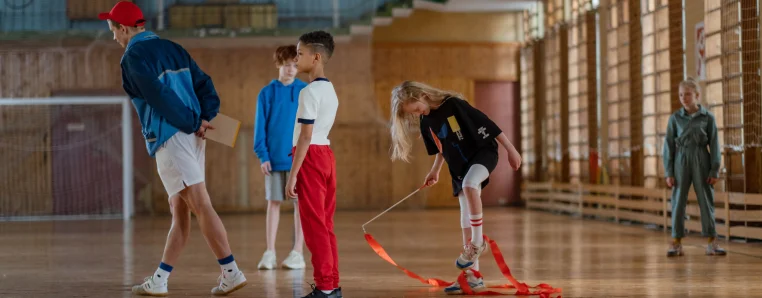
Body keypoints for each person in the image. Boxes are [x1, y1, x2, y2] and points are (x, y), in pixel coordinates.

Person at [99, 1, 246, 296]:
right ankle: (161, 279)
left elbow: (158, 96)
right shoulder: (173, 48)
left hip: (172, 134)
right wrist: (205, 117)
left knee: (199, 204)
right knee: (179, 209)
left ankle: (232, 272)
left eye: (113, 30)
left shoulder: (132, 56)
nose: (113, 37)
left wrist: (193, 121)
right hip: (192, 135)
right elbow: (204, 84)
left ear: (124, 29)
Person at [388, 81, 522, 294]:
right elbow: (442, 147)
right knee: (464, 218)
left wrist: (511, 150)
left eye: (416, 109)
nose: (417, 114)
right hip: (459, 166)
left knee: (470, 184)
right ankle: (472, 277)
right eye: (412, 113)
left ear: (422, 95)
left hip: (483, 153)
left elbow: (489, 124)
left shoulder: (454, 105)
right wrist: (436, 170)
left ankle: (478, 243)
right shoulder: (426, 121)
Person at [284, 30, 342, 298]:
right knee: (325, 225)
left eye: (300, 53)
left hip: (310, 158)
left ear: (316, 57)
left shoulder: (308, 92)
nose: (296, 58)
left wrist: (292, 175)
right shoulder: (330, 90)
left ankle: (325, 287)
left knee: (313, 226)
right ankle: (332, 284)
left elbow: (305, 137)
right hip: (326, 156)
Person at [254, 45, 308, 270]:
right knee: (273, 203)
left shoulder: (305, 91)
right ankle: (270, 252)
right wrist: (263, 155)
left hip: (299, 160)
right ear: (279, 65)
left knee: (300, 206)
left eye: (295, 66)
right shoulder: (266, 93)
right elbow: (260, 128)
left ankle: (297, 252)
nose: (291, 70)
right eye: (287, 65)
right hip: (274, 159)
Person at [663, 78, 726, 257]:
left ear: (697, 96)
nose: (684, 98)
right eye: (681, 94)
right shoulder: (675, 118)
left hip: (701, 159)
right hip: (680, 161)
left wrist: (714, 169)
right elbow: (668, 145)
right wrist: (669, 171)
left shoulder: (708, 118)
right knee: (678, 200)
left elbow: (714, 145)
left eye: (688, 94)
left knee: (706, 200)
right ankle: (676, 242)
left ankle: (712, 242)